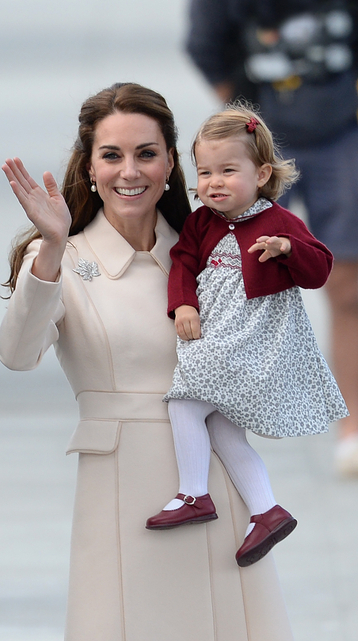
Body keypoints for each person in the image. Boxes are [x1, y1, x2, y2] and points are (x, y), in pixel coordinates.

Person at [0, 83, 294, 640]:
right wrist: (53, 249)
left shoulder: (207, 250)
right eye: (111, 155)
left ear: (171, 165)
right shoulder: (59, 255)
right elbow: (16, 355)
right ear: (89, 167)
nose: (128, 171)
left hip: (213, 480)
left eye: (146, 154)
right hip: (122, 488)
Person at [146, 105, 348, 567]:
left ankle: (194, 494)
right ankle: (267, 510)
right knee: (221, 429)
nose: (214, 182)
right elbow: (183, 264)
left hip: (252, 341)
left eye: (228, 171)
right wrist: (183, 304)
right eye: (204, 172)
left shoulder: (278, 221)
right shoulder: (201, 223)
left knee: (184, 402)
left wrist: (288, 249)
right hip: (216, 332)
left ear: (261, 174)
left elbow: (319, 269)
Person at [185, 0, 358, 477]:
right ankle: (223, 412)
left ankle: (352, 428)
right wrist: (243, 120)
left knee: (348, 286)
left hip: (343, 132)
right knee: (225, 269)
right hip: (260, 132)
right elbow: (205, 42)